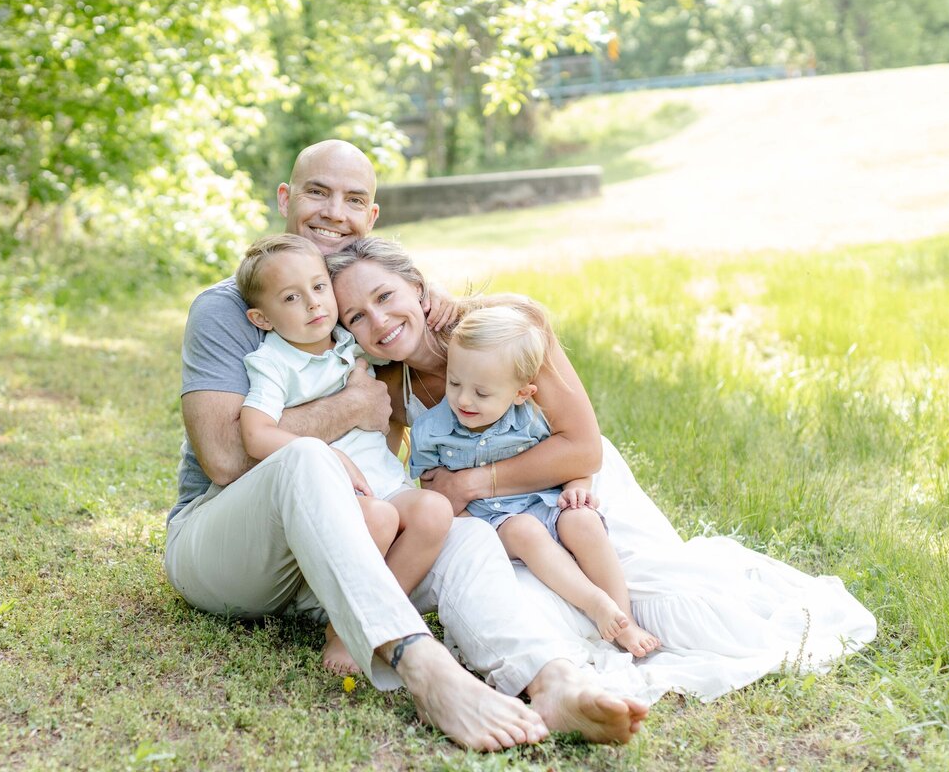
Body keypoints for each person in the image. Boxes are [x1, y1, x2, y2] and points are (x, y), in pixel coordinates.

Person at [165, 138, 649, 752]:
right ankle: (424, 667)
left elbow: (400, 305)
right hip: (230, 551)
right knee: (308, 457)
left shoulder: (347, 307)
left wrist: (445, 299)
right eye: (318, 192)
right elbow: (227, 460)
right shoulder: (233, 307)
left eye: (354, 200)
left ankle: (549, 680)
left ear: (371, 218)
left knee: (459, 529)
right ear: (286, 198)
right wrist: (352, 407)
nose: (334, 213)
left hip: (343, 545)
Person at [328, 236, 877, 702]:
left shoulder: (505, 330)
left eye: (385, 296)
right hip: (506, 526)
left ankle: (627, 621)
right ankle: (582, 658)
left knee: (666, 605)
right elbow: (414, 480)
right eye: (356, 315)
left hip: (573, 492)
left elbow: (582, 449)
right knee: (537, 618)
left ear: (418, 288)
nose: (378, 319)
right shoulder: (392, 387)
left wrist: (472, 483)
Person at [234, 232, 453, 675]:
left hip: (384, 479)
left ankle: (385, 612)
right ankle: (343, 631)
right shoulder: (273, 364)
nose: (314, 304)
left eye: (319, 288)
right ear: (262, 318)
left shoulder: (345, 336)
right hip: (336, 492)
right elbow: (256, 435)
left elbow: (391, 305)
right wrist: (332, 456)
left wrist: (439, 296)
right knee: (380, 518)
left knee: (434, 511)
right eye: (291, 298)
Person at [409, 304, 661, 658]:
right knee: (524, 530)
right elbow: (432, 494)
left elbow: (573, 464)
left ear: (521, 394)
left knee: (584, 522)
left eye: (481, 393)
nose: (463, 399)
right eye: (454, 383)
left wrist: (578, 488)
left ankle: (624, 619)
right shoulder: (430, 431)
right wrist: (467, 528)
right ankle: (594, 602)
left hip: (542, 501)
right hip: (492, 522)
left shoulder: (530, 420)